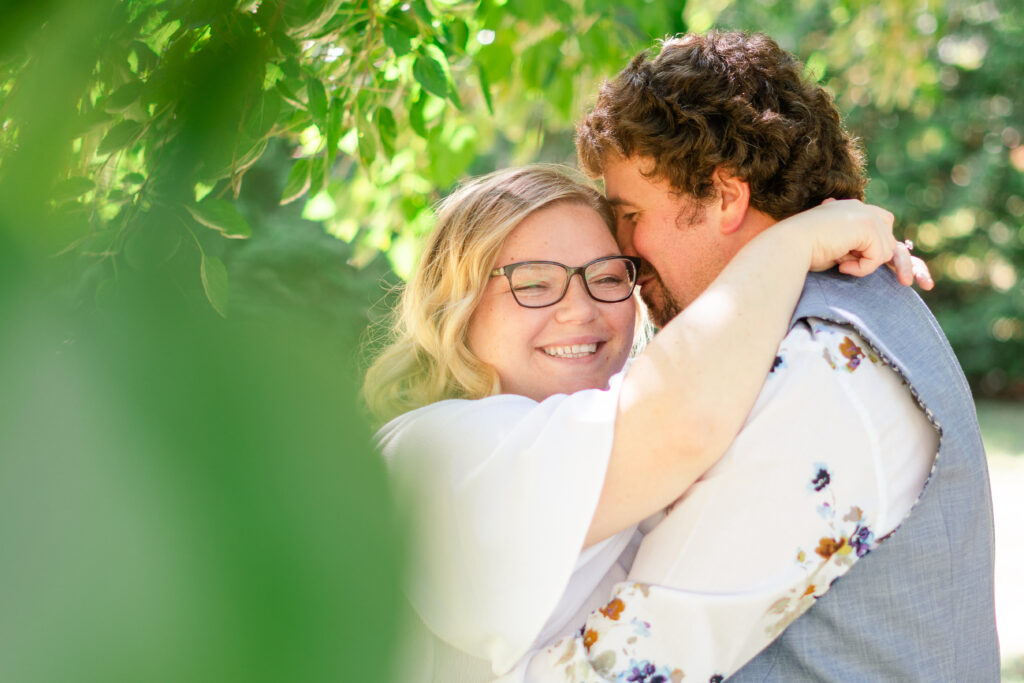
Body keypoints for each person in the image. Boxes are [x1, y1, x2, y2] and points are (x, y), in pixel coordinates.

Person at [519, 30, 998, 682]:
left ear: (725, 195)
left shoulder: (826, 368)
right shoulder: (793, 332)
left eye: (630, 212)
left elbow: (631, 660)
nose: (622, 250)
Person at [363, 164, 923, 681]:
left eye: (607, 278)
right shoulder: (431, 452)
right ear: (452, 307)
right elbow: (682, 424)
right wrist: (795, 241)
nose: (580, 309)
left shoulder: (599, 418)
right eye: (533, 283)